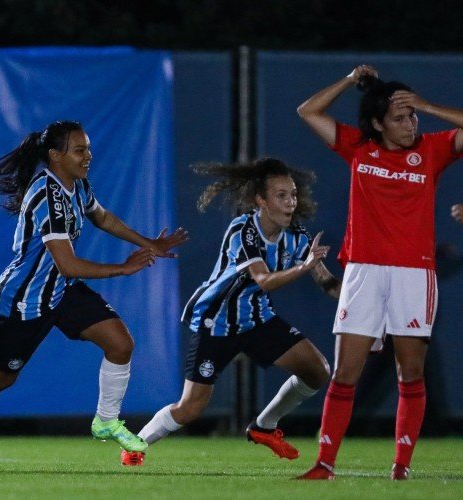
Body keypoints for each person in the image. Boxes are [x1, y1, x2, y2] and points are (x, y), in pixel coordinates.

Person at [0, 120, 188, 470]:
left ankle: (106, 421)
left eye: (88, 148)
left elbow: (103, 218)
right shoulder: (47, 195)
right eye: (79, 150)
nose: (88, 156)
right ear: (55, 156)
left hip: (61, 291)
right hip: (26, 298)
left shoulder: (77, 185)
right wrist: (122, 268)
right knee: (2, 375)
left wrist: (149, 243)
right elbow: (67, 264)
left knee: (120, 343)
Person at [296, 65, 463, 480]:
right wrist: (351, 80)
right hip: (364, 271)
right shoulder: (358, 147)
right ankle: (324, 464)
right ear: (376, 123)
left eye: (413, 116)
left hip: (413, 273)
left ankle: (401, 466)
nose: (410, 124)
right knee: (346, 373)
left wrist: (424, 103)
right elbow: (308, 110)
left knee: (411, 371)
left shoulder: (433, 148)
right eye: (400, 117)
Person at [121, 157, 338, 467]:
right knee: (190, 408)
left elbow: (326, 282)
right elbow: (263, 280)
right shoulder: (243, 229)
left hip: (256, 319)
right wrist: (305, 266)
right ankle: (134, 445)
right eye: (281, 195)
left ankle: (264, 426)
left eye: (292, 194)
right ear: (260, 200)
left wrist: (358, 303)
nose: (290, 202)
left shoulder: (298, 237)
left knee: (317, 370)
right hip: (217, 321)